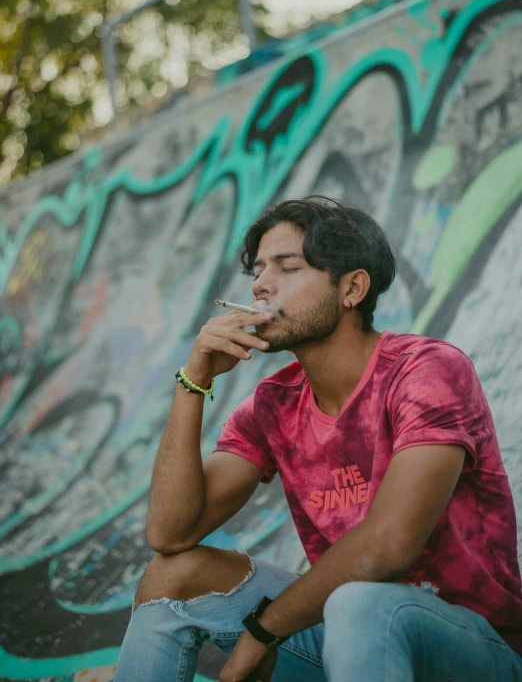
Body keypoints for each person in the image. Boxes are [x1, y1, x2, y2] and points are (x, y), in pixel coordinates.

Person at [114, 195, 522, 682]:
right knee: (172, 576)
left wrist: (265, 630)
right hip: (350, 643)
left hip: (476, 649)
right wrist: (194, 380)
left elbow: (387, 546)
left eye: (287, 268)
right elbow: (171, 534)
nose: (262, 286)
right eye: (259, 271)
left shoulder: (426, 371)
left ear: (352, 289)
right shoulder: (274, 405)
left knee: (359, 602)